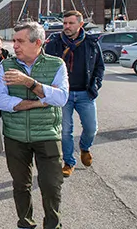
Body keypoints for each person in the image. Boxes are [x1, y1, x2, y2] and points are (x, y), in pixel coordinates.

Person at [0, 22, 72, 229]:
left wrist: (29, 83)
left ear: (38, 43)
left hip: (47, 134)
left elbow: (61, 98)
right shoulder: (5, 66)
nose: (14, 45)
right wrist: (38, 101)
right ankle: (25, 225)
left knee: (51, 184)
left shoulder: (56, 64)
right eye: (14, 41)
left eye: (20, 41)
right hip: (15, 136)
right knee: (21, 184)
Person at [44, 11, 105, 177]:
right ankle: (69, 162)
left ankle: (85, 148)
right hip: (63, 95)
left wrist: (96, 84)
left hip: (85, 93)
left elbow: (100, 66)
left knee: (91, 128)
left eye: (71, 23)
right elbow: (44, 63)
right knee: (65, 131)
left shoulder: (91, 43)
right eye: (65, 23)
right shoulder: (54, 42)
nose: (67, 27)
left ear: (80, 24)